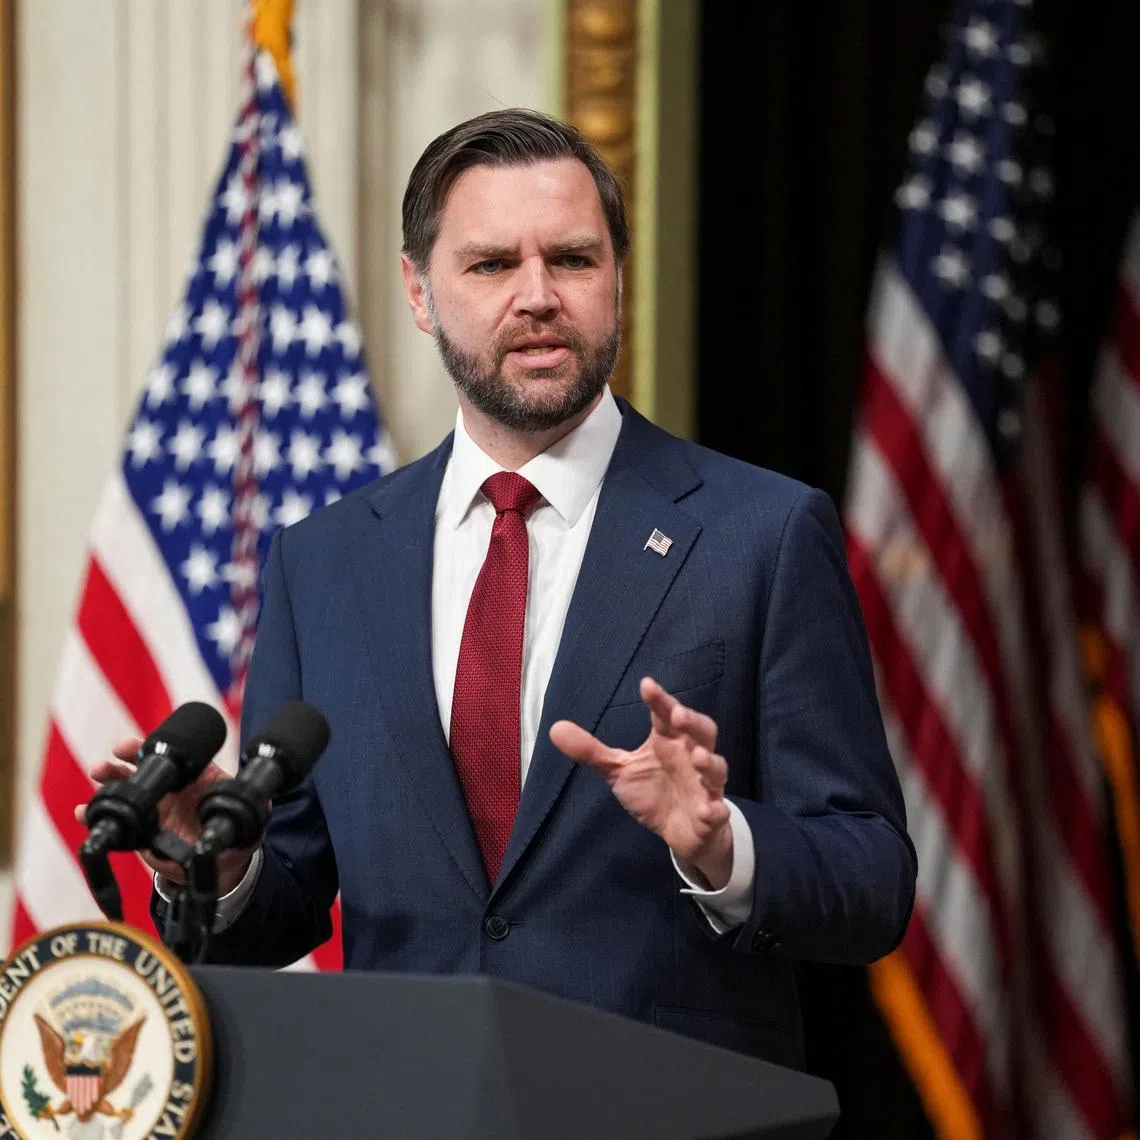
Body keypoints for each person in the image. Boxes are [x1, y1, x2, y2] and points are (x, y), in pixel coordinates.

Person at [89, 109, 915, 1069]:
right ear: (420, 290)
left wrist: (721, 843)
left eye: (571, 258)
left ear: (618, 277)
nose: (537, 296)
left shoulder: (760, 535)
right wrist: (216, 865)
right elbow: (282, 908)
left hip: (663, 1115)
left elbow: (873, 880)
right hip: (405, 1107)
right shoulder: (323, 564)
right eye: (490, 265)